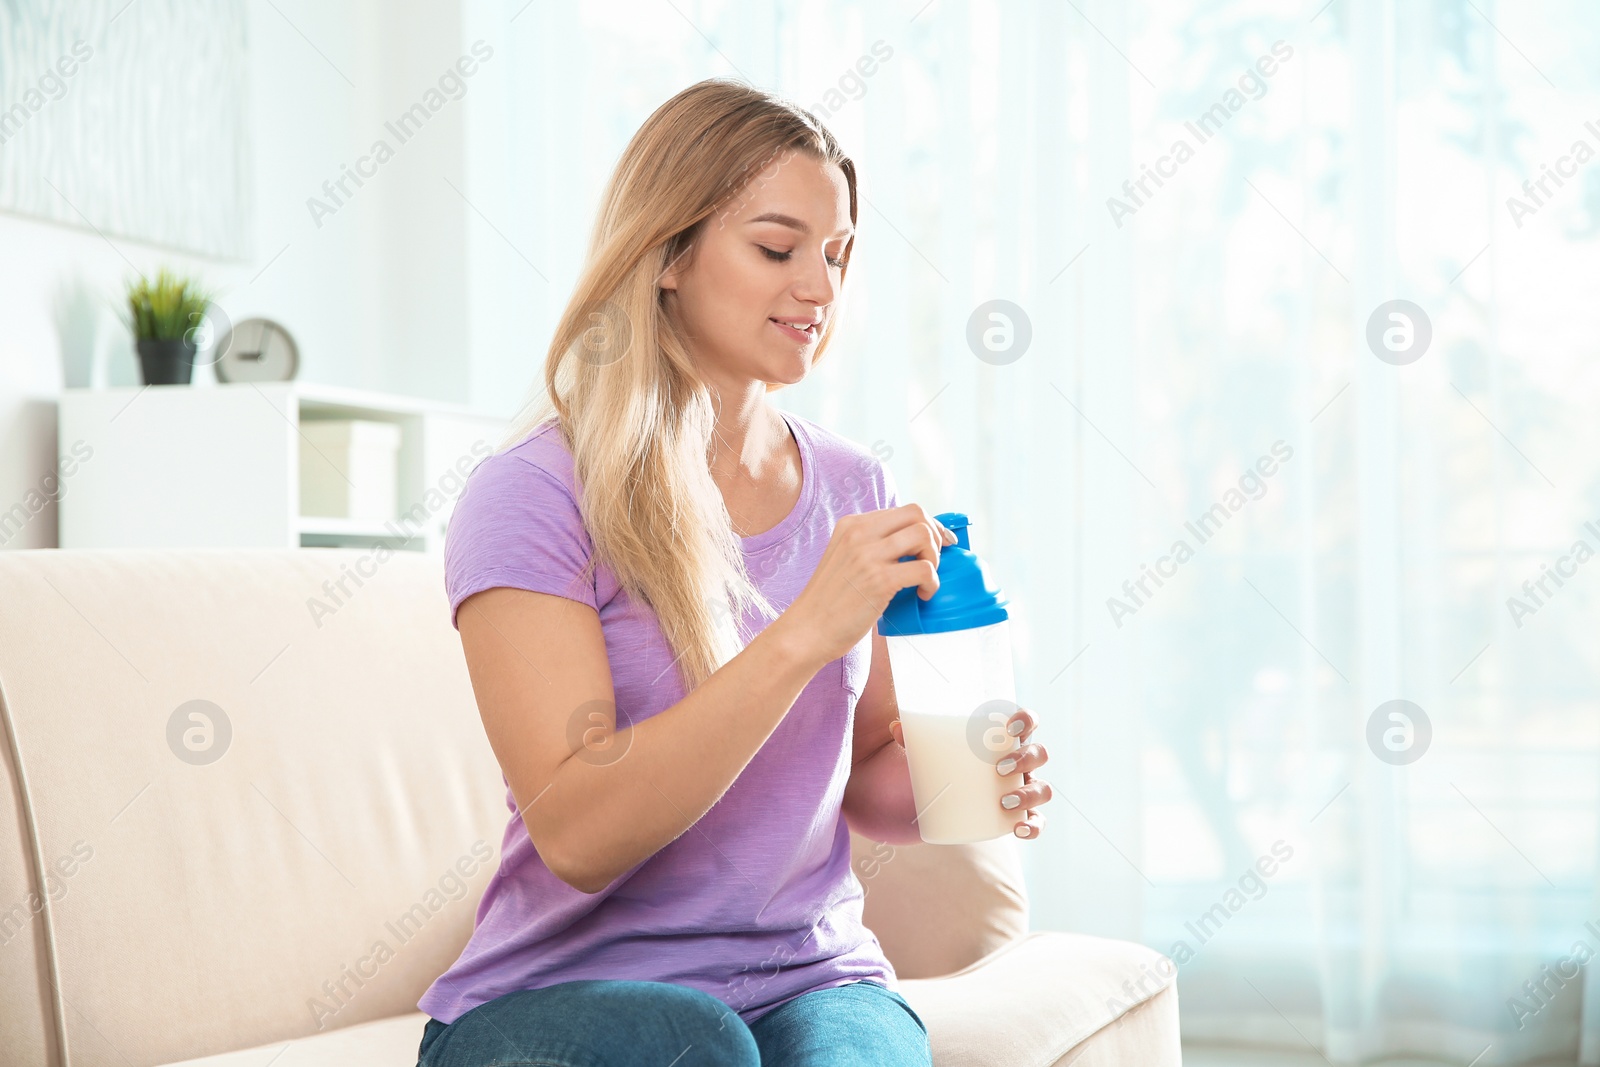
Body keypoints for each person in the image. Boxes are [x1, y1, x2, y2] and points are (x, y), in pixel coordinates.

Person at [415, 77, 1053, 1067]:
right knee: (697, 1042)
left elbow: (867, 780)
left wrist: (967, 777)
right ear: (667, 254)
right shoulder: (534, 494)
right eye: (776, 247)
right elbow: (579, 834)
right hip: (554, 1001)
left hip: (812, 977)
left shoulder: (852, 482)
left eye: (837, 254)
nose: (819, 288)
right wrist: (803, 630)